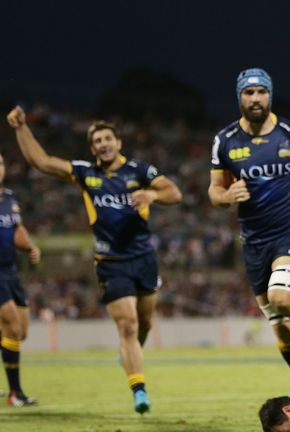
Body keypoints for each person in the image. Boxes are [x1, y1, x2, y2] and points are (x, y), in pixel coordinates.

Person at [7, 107, 183, 414]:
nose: (103, 144)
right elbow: (42, 161)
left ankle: (129, 354)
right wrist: (22, 127)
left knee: (144, 324)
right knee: (127, 326)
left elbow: (174, 192)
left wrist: (152, 196)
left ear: (118, 143)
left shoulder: (140, 171)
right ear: (93, 148)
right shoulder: (87, 174)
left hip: (144, 259)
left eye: (107, 138)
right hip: (110, 262)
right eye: (97, 140)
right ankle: (139, 390)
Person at [208, 68, 290, 387]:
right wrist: (226, 196)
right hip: (254, 242)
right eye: (248, 92)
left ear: (270, 95)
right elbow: (214, 191)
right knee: (280, 327)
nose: (255, 98)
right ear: (239, 97)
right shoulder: (224, 141)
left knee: (282, 299)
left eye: (261, 91)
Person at [0, 153, 41, 407]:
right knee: (12, 327)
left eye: (1, 163)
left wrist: (30, 247)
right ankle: (15, 393)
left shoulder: (10, 198)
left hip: (11, 271)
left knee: (20, 332)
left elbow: (17, 228)